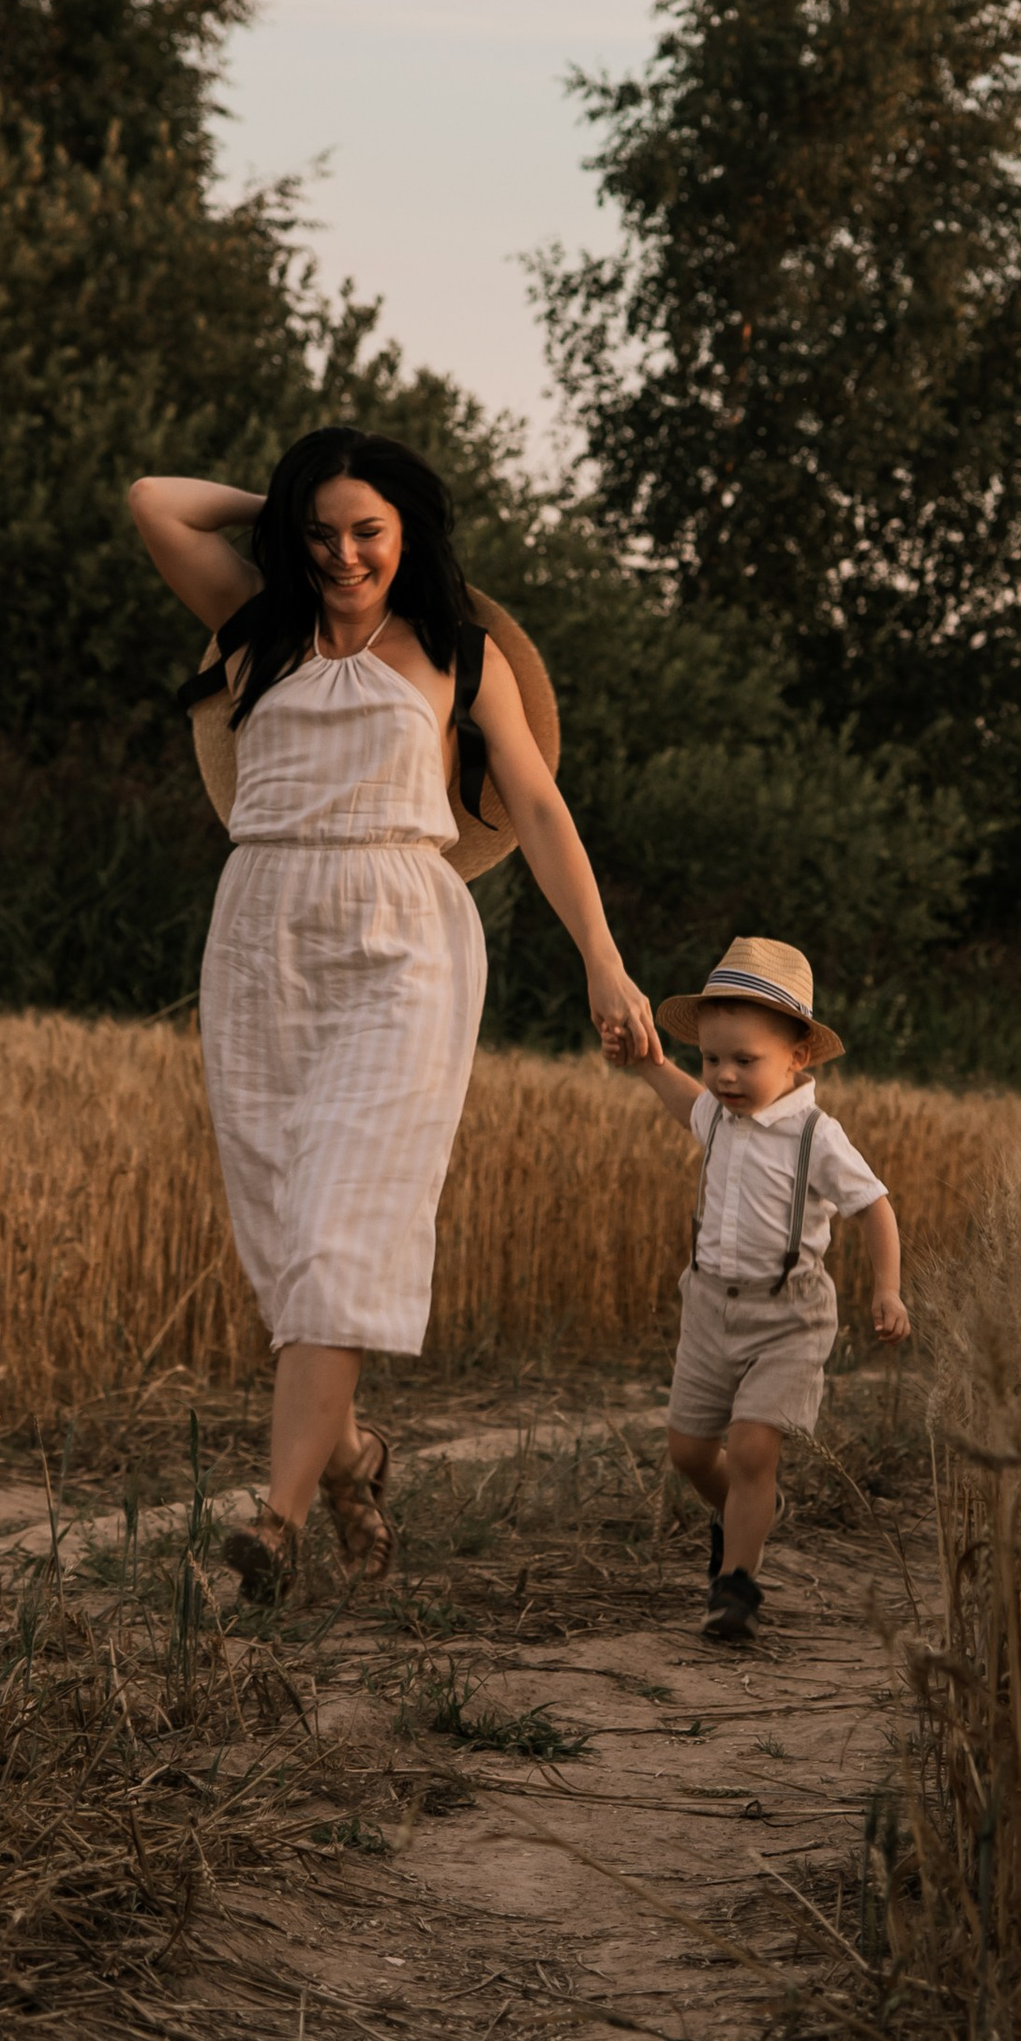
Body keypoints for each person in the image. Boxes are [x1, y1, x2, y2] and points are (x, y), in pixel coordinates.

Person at [129, 429, 660, 1593]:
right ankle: (353, 1455)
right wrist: (279, 507)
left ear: (408, 528)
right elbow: (156, 503)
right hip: (261, 933)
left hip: (402, 938)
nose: (342, 553)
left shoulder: (460, 654)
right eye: (319, 533)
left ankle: (273, 1524)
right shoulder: (253, 626)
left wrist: (603, 963)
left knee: (339, 1226)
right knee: (285, 1248)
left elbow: (538, 805)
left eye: (367, 529)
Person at [605, 937, 909, 1643]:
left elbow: (875, 1208)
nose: (723, 1076)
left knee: (751, 1447)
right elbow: (684, 1101)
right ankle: (748, 1509)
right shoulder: (717, 1113)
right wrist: (651, 1064)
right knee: (688, 1450)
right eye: (713, 1059)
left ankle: (735, 1582)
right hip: (708, 1305)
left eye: (745, 1061)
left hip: (789, 1316)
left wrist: (888, 1291)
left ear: (798, 1056)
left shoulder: (816, 1137)